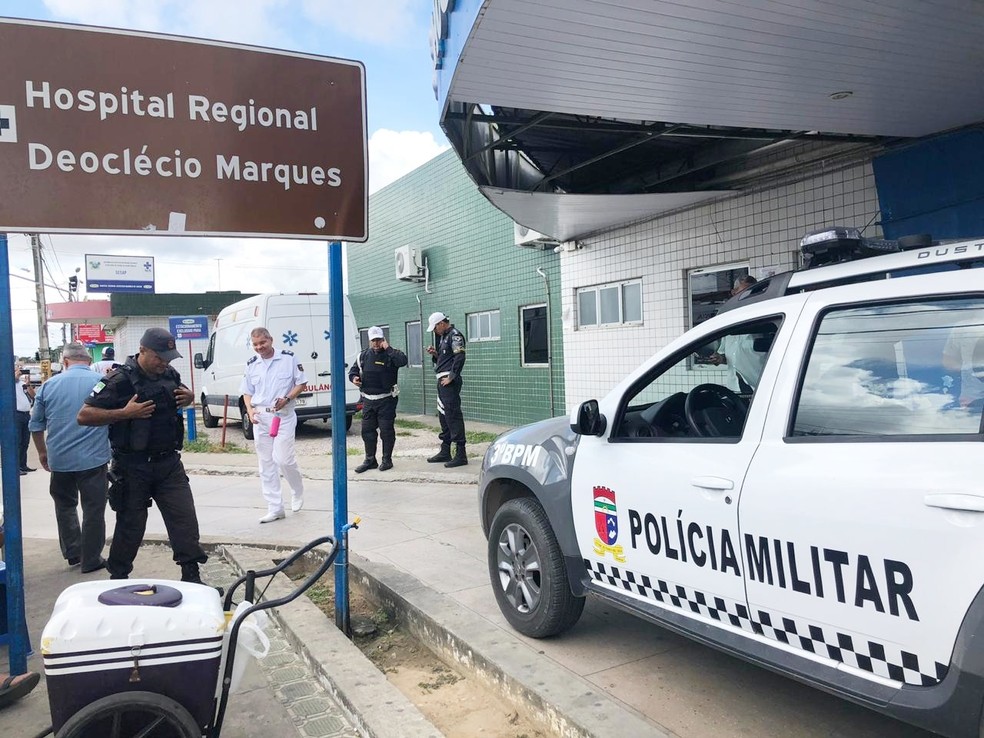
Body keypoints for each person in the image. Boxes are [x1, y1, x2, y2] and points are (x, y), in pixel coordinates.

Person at [77, 328, 210, 584]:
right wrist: (124, 413)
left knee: (184, 520)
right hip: (131, 467)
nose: (164, 362)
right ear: (143, 350)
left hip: (169, 463)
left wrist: (191, 397)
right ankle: (119, 577)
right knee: (130, 525)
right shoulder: (118, 380)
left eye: (169, 357)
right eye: (160, 357)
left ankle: (192, 576)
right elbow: (84, 415)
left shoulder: (170, 374)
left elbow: (178, 394)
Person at [29, 343, 111, 572]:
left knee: (65, 506)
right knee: (93, 509)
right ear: (87, 360)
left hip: (60, 460)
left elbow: (35, 425)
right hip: (94, 460)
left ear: (65, 362)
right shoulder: (101, 383)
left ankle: (74, 553)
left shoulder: (48, 386)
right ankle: (91, 559)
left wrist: (42, 452)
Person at [240, 327, 307, 523]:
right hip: (261, 417)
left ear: (271, 340)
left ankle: (297, 490)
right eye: (255, 344)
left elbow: (301, 383)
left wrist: (287, 398)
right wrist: (250, 410)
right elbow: (247, 391)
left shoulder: (288, 358)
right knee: (266, 464)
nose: (259, 347)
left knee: (283, 459)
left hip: (283, 415)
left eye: (263, 343)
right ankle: (275, 507)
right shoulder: (252, 364)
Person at [348, 326, 408, 473]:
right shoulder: (362, 356)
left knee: (386, 431)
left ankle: (387, 459)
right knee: (367, 431)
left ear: (383, 339)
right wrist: (354, 378)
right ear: (369, 341)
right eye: (373, 340)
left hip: (386, 400)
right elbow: (353, 371)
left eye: (379, 340)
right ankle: (370, 460)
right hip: (368, 400)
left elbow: (403, 361)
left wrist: (388, 349)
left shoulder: (391, 354)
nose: (376, 343)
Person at [708, 276, 767, 392]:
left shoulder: (763, 316)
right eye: (744, 292)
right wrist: (718, 359)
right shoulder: (729, 319)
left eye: (752, 291)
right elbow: (726, 356)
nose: (748, 295)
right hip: (734, 386)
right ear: (733, 293)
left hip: (758, 385)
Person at [424, 312, 468, 467]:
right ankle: (445, 450)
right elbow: (446, 358)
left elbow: (459, 357)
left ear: (442, 323)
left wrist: (452, 377)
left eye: (435, 327)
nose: (435, 331)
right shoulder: (443, 337)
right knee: (444, 415)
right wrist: (435, 354)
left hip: (449, 382)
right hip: (442, 381)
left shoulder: (455, 335)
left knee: (453, 415)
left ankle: (461, 454)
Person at [14, 365, 36, 475]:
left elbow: (33, 396)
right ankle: (16, 467)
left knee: (25, 442)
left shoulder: (22, 384)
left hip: (26, 415)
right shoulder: (9, 384)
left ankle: (23, 465)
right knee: (17, 442)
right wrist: (15, 377)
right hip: (16, 415)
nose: (19, 372)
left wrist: (28, 384)